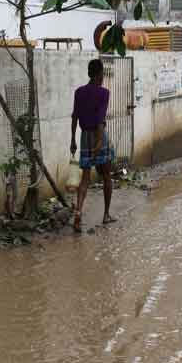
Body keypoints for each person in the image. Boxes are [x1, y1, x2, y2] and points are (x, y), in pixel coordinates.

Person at [70, 59, 115, 233]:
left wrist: (72, 140)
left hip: (83, 137)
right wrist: (99, 141)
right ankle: (106, 215)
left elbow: (74, 117)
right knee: (106, 177)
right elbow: (100, 119)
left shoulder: (79, 92)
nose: (103, 77)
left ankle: (78, 212)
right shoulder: (104, 93)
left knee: (85, 179)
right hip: (98, 136)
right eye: (102, 73)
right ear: (99, 74)